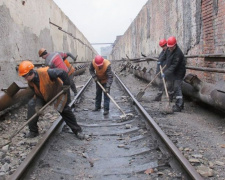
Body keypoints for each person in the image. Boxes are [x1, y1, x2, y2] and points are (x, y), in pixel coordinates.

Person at [18, 60, 85, 139]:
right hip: (44, 95)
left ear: (31, 72)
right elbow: (38, 94)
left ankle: (77, 130)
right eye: (23, 77)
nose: (25, 79)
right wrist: (38, 106)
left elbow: (63, 73)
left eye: (25, 76)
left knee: (64, 110)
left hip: (57, 92)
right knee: (32, 105)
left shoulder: (46, 72)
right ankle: (33, 131)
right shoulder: (31, 82)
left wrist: (66, 84)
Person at [162, 36, 186, 112]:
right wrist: (160, 60)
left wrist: (165, 73)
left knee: (177, 87)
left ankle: (179, 106)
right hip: (172, 72)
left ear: (175, 45)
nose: (170, 49)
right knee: (170, 86)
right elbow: (165, 56)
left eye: (171, 47)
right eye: (169, 47)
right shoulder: (169, 49)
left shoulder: (178, 53)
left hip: (179, 72)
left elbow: (174, 66)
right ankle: (172, 99)